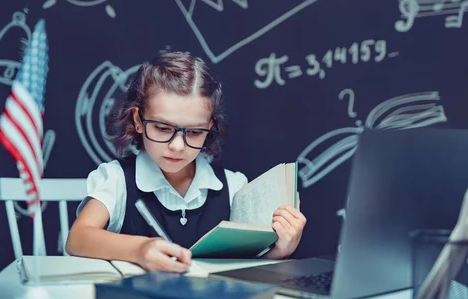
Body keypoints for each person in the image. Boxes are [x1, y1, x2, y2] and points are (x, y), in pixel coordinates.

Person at [66, 51, 306, 273]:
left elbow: (243, 270)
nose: (177, 146)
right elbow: (77, 238)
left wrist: (278, 251)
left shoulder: (234, 187)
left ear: (209, 128)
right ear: (138, 120)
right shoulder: (117, 180)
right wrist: (139, 250)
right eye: (162, 128)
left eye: (194, 132)